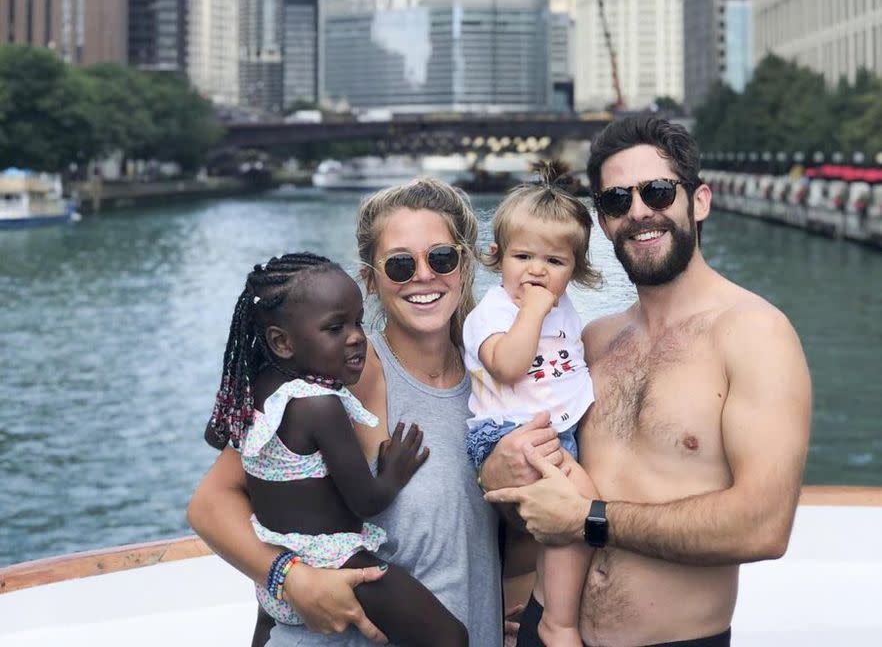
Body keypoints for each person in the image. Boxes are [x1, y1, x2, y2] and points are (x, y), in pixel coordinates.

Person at [483, 115, 812, 647]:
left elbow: (763, 525)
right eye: (616, 201)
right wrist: (497, 475)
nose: (638, 212)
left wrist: (590, 521)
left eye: (657, 192)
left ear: (698, 201)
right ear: (603, 222)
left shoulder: (756, 335)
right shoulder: (590, 340)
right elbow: (541, 503)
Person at [187, 179, 503, 647]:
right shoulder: (344, 377)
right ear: (371, 280)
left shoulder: (494, 372)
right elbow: (209, 506)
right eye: (399, 264)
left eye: (440, 257)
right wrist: (292, 580)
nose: (423, 275)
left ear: (465, 262)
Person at [463, 165, 601, 647]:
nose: (538, 271)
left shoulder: (565, 309)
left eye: (555, 261)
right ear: (498, 258)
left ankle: (547, 603)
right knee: (583, 510)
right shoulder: (493, 313)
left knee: (571, 520)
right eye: (523, 256)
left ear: (576, 269)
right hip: (505, 434)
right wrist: (534, 311)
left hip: (549, 432)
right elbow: (508, 366)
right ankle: (557, 622)